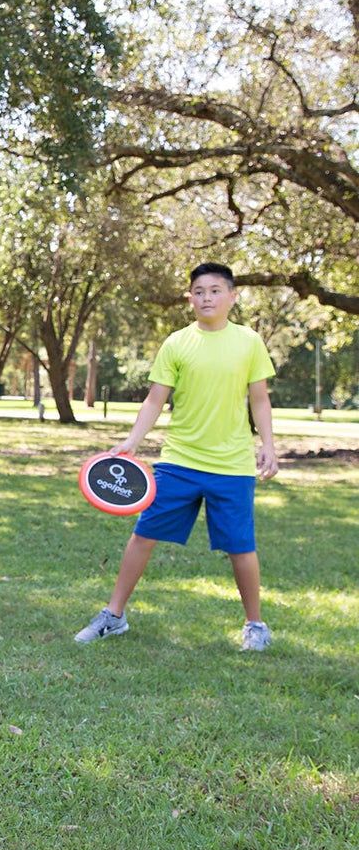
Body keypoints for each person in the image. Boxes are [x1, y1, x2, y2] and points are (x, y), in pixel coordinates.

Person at [74, 262, 278, 651]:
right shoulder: (177, 343)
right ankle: (113, 616)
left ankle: (255, 625)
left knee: (241, 547)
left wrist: (267, 445)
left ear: (232, 297)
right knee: (143, 535)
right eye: (199, 291)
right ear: (190, 298)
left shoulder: (249, 342)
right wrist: (133, 440)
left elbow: (260, 399)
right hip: (179, 461)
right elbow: (155, 399)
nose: (207, 297)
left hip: (232, 465)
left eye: (216, 290)